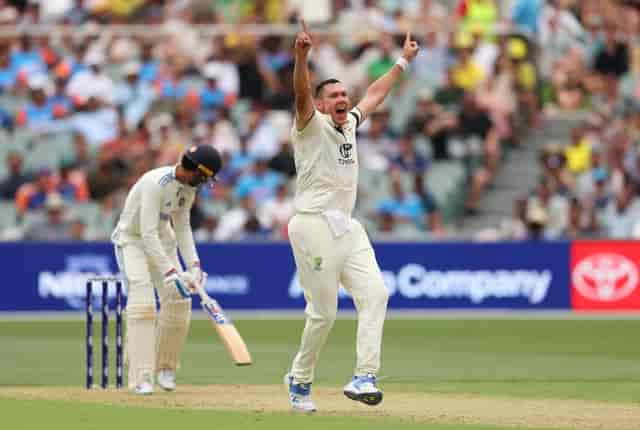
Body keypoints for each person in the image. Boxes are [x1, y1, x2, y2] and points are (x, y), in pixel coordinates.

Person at [284, 21, 419, 412]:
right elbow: (300, 93)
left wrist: (402, 62)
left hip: (347, 226)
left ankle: (364, 376)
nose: (343, 98)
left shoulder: (350, 126)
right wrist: (302, 56)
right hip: (312, 225)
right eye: (335, 95)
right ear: (323, 104)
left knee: (376, 294)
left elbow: (375, 94)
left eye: (345, 93)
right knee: (323, 314)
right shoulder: (310, 126)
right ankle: (301, 380)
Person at [111, 144, 222, 395]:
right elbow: (147, 233)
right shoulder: (155, 183)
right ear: (197, 171)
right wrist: (171, 273)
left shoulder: (188, 189)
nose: (204, 183)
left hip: (164, 241)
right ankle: (141, 377)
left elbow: (182, 228)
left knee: (180, 300)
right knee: (143, 304)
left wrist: (194, 267)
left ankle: (166, 368)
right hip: (133, 242)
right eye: (205, 178)